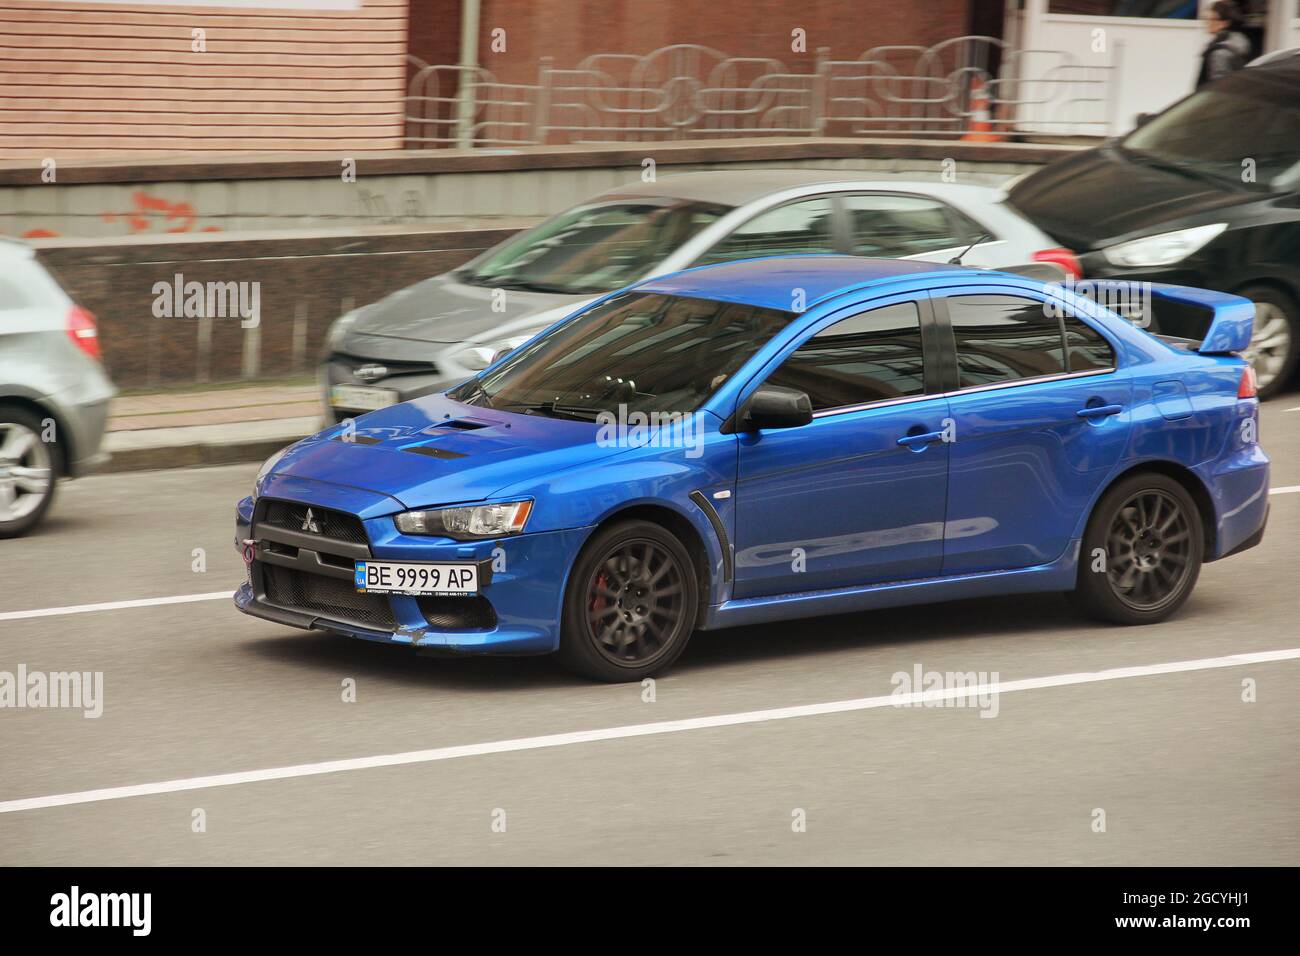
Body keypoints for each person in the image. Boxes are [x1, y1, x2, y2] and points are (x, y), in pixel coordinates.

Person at [1196, 1, 1251, 89]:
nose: (1207, 23)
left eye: (1212, 19)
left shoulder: (1219, 53)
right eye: (1206, 19)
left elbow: (1218, 87)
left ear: (1225, 23)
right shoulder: (1238, 43)